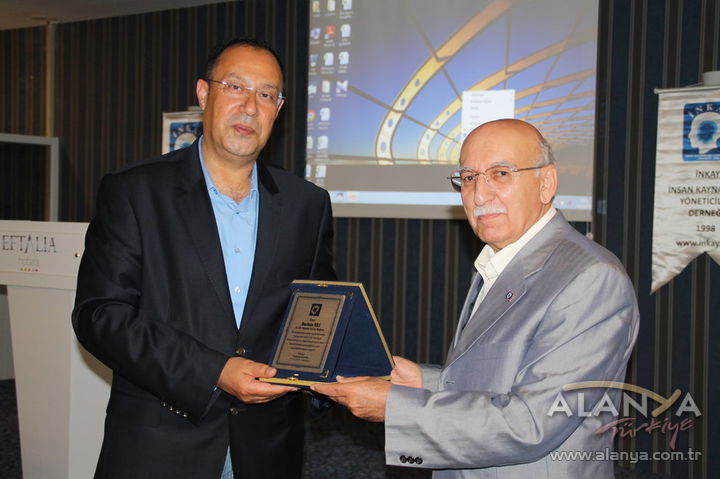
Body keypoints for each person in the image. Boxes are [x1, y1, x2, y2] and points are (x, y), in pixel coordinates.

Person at [312, 119, 639, 478]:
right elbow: (500, 381)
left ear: (546, 183)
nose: (479, 195)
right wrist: (425, 382)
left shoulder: (591, 278)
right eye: (468, 178)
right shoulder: (500, 260)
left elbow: (532, 423)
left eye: (500, 174)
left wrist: (397, 408)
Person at [72, 38, 335, 478]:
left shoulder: (306, 204)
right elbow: (100, 315)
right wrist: (215, 371)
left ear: (278, 108)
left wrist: (333, 374)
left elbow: (317, 312)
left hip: (267, 448)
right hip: (159, 447)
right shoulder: (136, 192)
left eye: (266, 94)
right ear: (203, 93)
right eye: (235, 87)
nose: (250, 106)